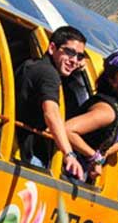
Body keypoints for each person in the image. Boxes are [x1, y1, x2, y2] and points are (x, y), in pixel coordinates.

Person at [15, 25, 88, 181]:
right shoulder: (49, 75)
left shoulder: (31, 65)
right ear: (52, 48)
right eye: (69, 52)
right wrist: (69, 154)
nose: (74, 60)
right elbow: (51, 112)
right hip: (29, 156)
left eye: (80, 56)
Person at [64, 46, 118, 181]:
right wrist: (95, 157)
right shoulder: (107, 112)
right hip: (68, 167)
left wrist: (107, 151)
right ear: (113, 81)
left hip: (85, 171)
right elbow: (67, 130)